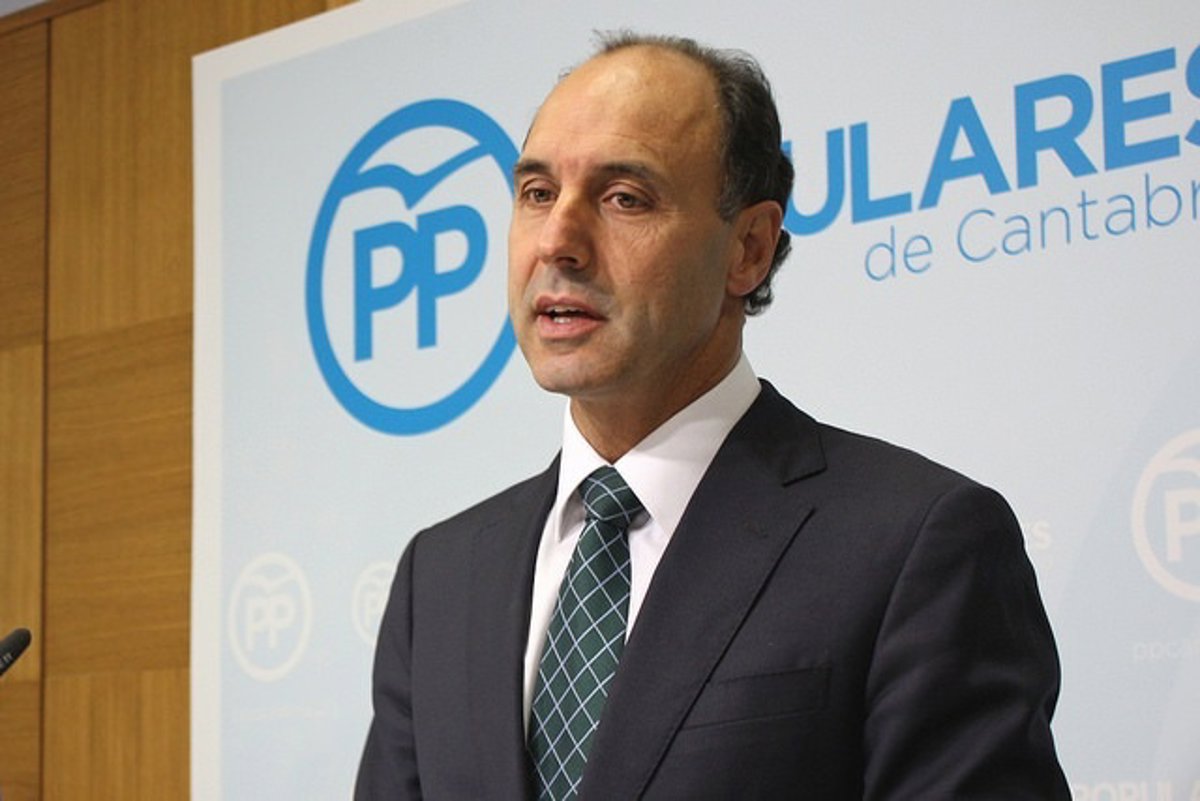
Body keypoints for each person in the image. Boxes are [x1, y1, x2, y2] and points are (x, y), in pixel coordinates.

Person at [355, 32, 1070, 800]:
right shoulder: (440, 577)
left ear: (749, 249)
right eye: (536, 193)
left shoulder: (915, 545)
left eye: (624, 198)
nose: (558, 240)